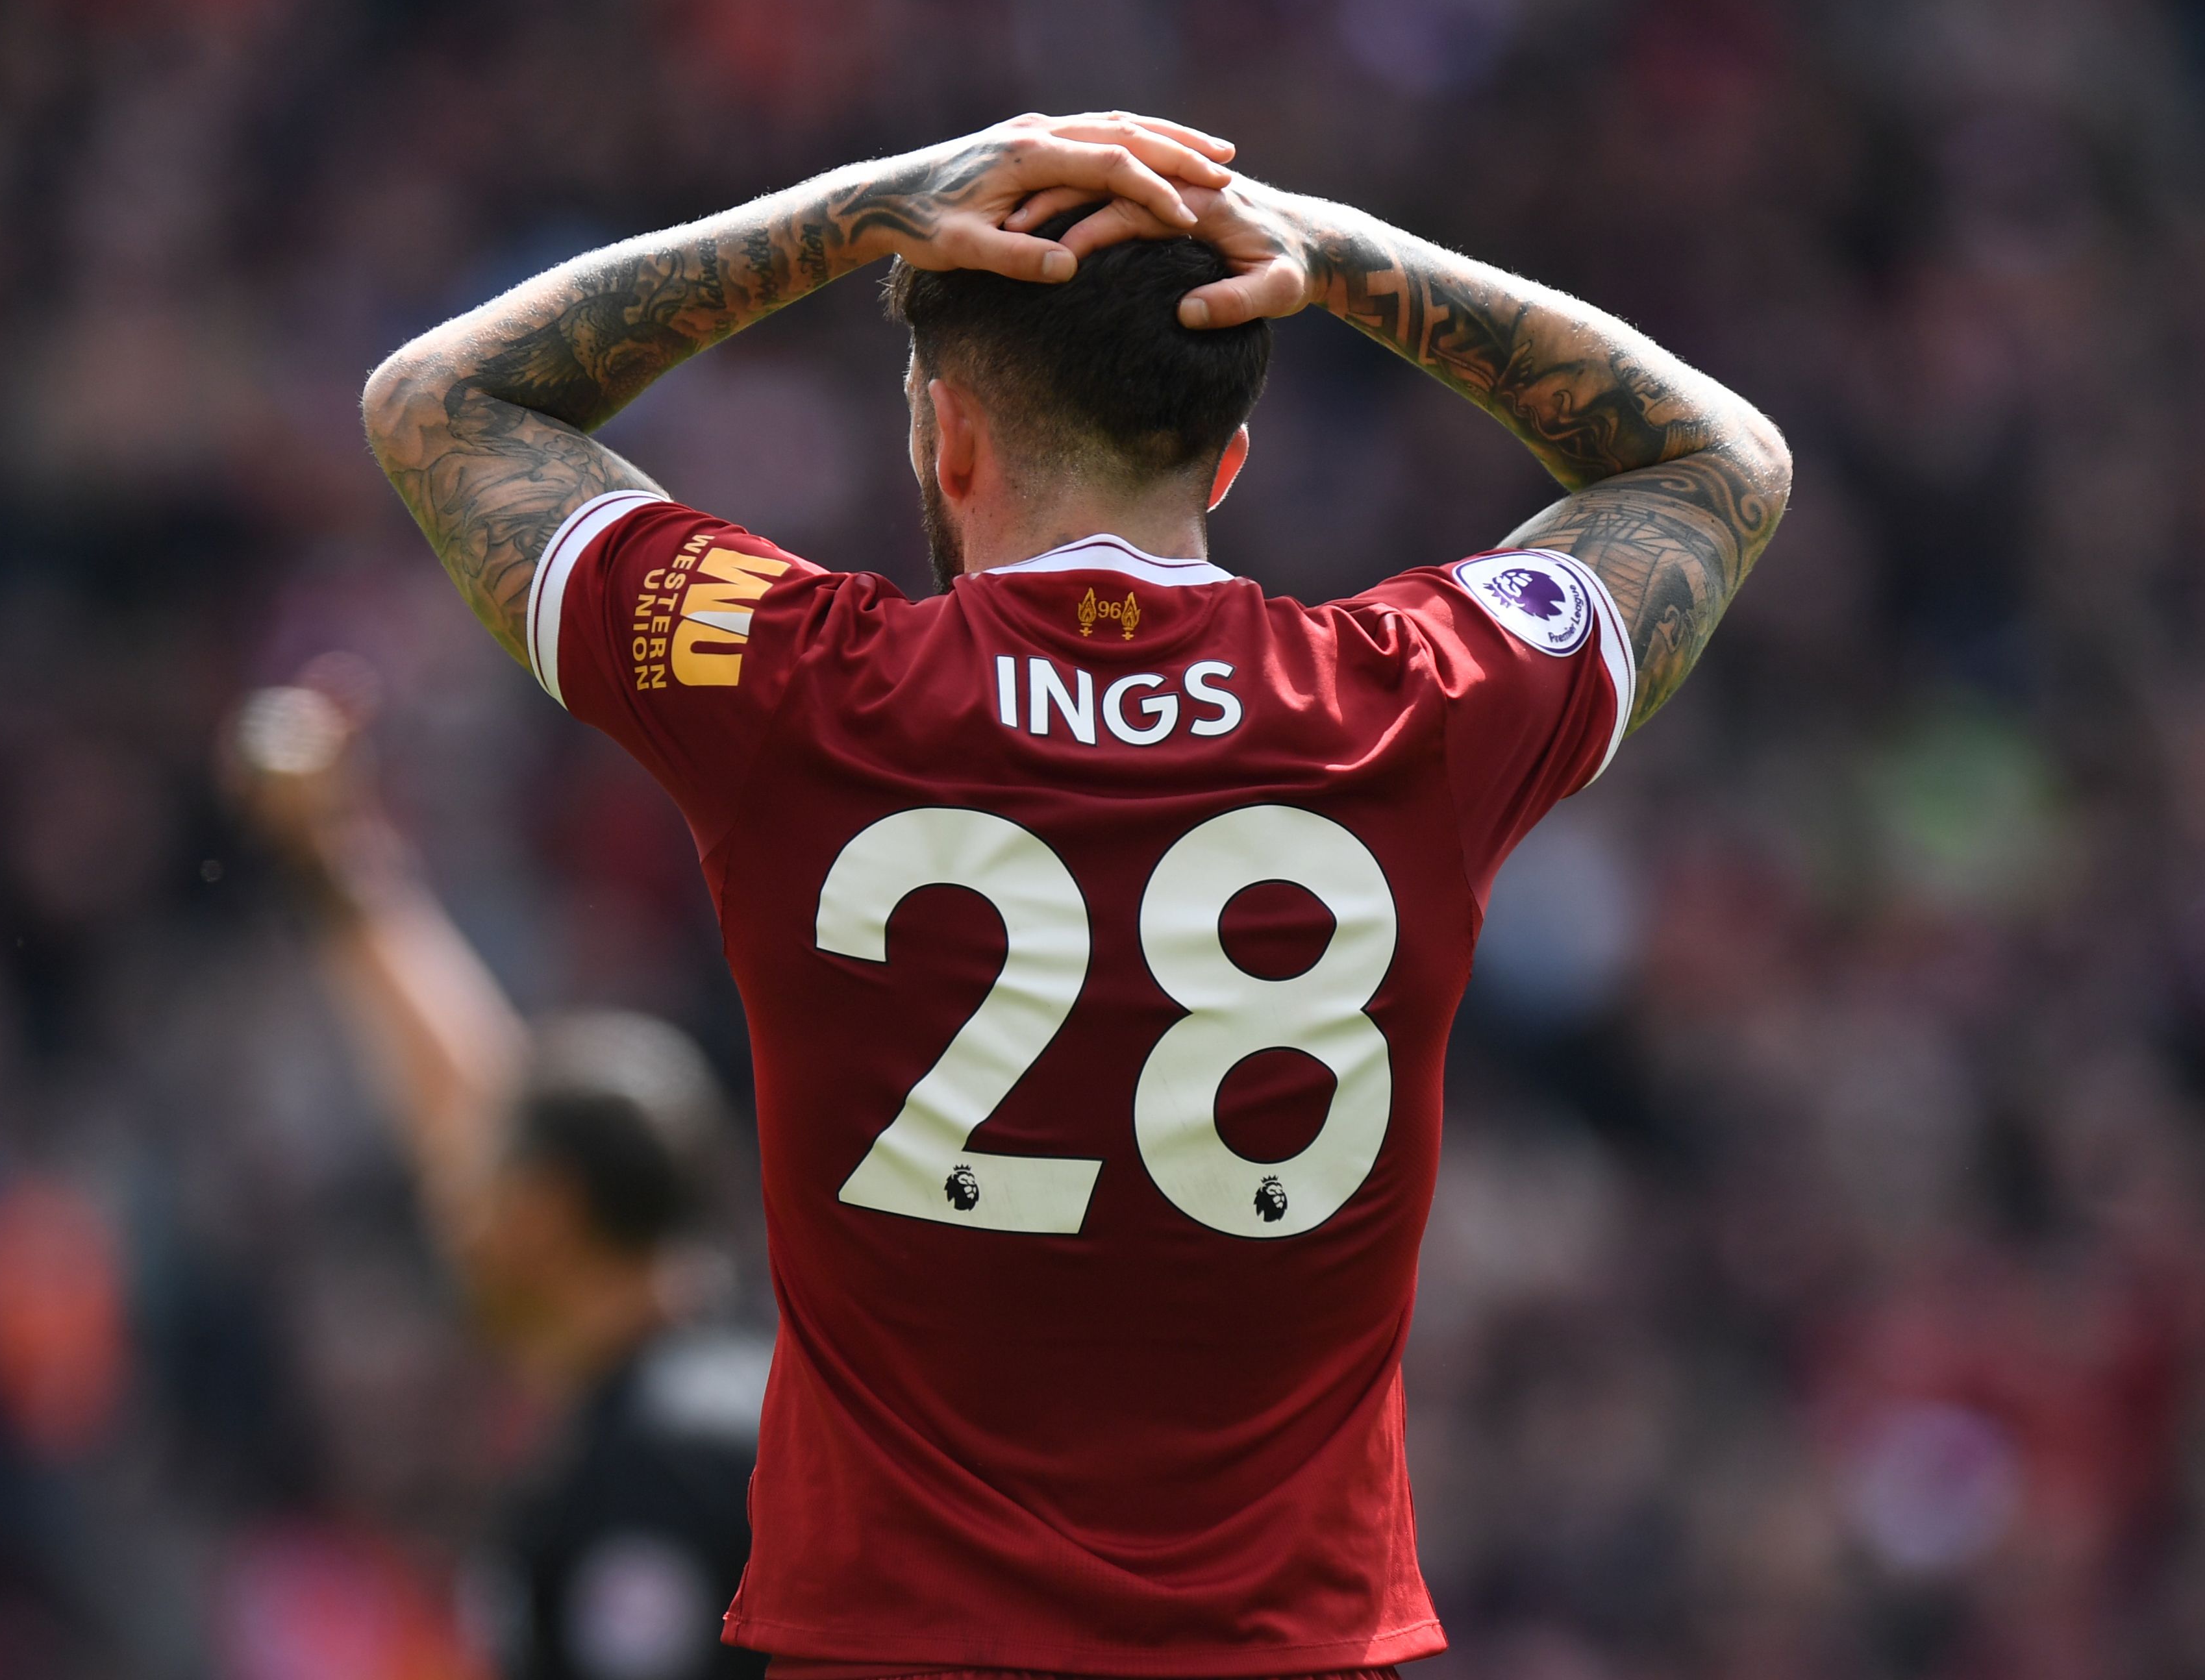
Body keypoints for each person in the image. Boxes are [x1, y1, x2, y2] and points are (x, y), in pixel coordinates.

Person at [358, 110, 1791, 1676]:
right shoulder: (1417, 707)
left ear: (949, 435)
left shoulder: (796, 690)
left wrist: (850, 213)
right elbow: (1717, 465)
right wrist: (1341, 255)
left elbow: (442, 402)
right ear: (1229, 455)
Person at [229, 676, 769, 1680]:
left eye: (478, 1190)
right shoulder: (713, 1408)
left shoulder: (655, 1469)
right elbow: (463, 1094)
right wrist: (333, 862)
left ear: (544, 1215)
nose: (451, 1212)